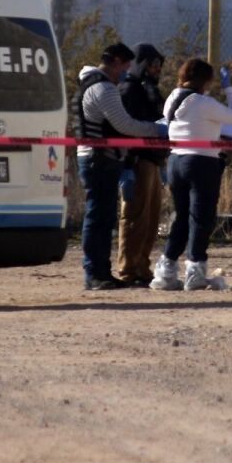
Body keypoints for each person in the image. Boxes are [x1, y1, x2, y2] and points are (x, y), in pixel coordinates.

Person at [73, 42, 167, 291]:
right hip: (100, 159)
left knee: (103, 218)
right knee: (98, 218)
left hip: (103, 158)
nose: (126, 71)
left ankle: (101, 272)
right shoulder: (103, 88)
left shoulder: (97, 86)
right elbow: (125, 125)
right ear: (115, 61)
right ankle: (94, 273)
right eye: (125, 66)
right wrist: (156, 130)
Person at [151, 58, 232, 291]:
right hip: (202, 162)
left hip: (175, 161)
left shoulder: (173, 98)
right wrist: (229, 90)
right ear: (206, 80)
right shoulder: (204, 102)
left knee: (181, 217)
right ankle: (195, 271)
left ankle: (166, 272)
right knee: (201, 219)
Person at [115, 43, 168, 287]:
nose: (156, 69)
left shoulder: (152, 92)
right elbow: (125, 128)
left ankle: (142, 266)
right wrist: (126, 164)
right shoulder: (129, 90)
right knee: (134, 216)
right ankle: (128, 268)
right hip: (136, 160)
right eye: (152, 65)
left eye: (159, 65)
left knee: (151, 219)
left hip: (154, 160)